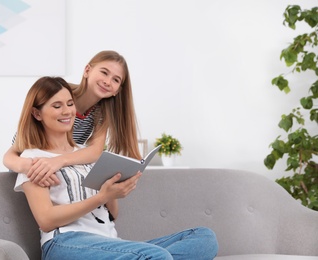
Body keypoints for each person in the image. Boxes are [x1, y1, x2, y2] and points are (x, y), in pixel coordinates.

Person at [12, 76, 219, 260]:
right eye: (56, 106)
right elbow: (46, 220)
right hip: (65, 242)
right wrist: (100, 197)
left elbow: (111, 215)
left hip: (109, 241)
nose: (67, 111)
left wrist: (114, 190)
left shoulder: (86, 153)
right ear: (37, 114)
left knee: (204, 238)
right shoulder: (34, 159)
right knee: (156, 256)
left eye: (69, 103)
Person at [4, 50, 141, 187]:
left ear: (117, 90)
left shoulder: (101, 113)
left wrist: (59, 161)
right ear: (87, 70)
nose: (107, 82)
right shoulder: (60, 92)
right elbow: (13, 151)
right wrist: (26, 166)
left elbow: (95, 152)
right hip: (34, 169)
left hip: (58, 171)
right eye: (104, 72)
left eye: (115, 80)